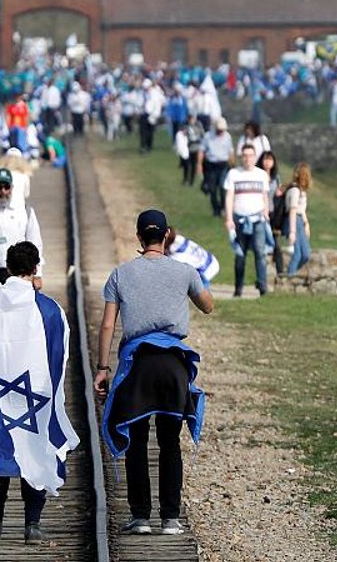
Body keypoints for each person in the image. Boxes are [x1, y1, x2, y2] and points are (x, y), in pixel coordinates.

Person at [95, 209, 214, 537]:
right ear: (166, 236)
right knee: (169, 442)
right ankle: (171, 519)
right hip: (173, 365)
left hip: (139, 364)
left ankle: (141, 517)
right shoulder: (185, 271)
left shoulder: (120, 275)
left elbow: (107, 325)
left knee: (137, 441)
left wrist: (102, 369)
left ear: (138, 237)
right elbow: (208, 305)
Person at [0, 241, 80, 544]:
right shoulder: (49, 310)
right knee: (36, 448)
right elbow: (59, 355)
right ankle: (32, 524)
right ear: (36, 267)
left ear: (8, 267)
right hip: (35, 392)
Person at [224, 143, 271, 297]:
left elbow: (265, 196)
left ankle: (263, 287)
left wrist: (266, 212)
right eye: (245, 155)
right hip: (239, 220)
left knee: (260, 253)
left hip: (258, 220)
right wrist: (229, 218)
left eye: (250, 155)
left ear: (255, 157)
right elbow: (229, 197)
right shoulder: (233, 174)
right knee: (240, 254)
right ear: (241, 157)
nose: (247, 158)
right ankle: (238, 288)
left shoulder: (261, 174)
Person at [195, 117, 233, 217]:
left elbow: (230, 152)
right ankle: (215, 209)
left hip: (223, 165)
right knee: (212, 189)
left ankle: (223, 207)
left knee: (223, 187)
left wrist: (232, 164)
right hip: (211, 166)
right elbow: (201, 151)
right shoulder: (208, 136)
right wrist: (199, 164)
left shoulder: (227, 137)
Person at [284, 162, 312, 277]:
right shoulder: (295, 190)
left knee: (306, 254)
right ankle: (289, 277)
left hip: (300, 221)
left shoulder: (302, 191)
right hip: (294, 220)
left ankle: (291, 273)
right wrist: (292, 231)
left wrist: (306, 224)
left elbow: (302, 210)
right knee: (297, 254)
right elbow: (293, 210)